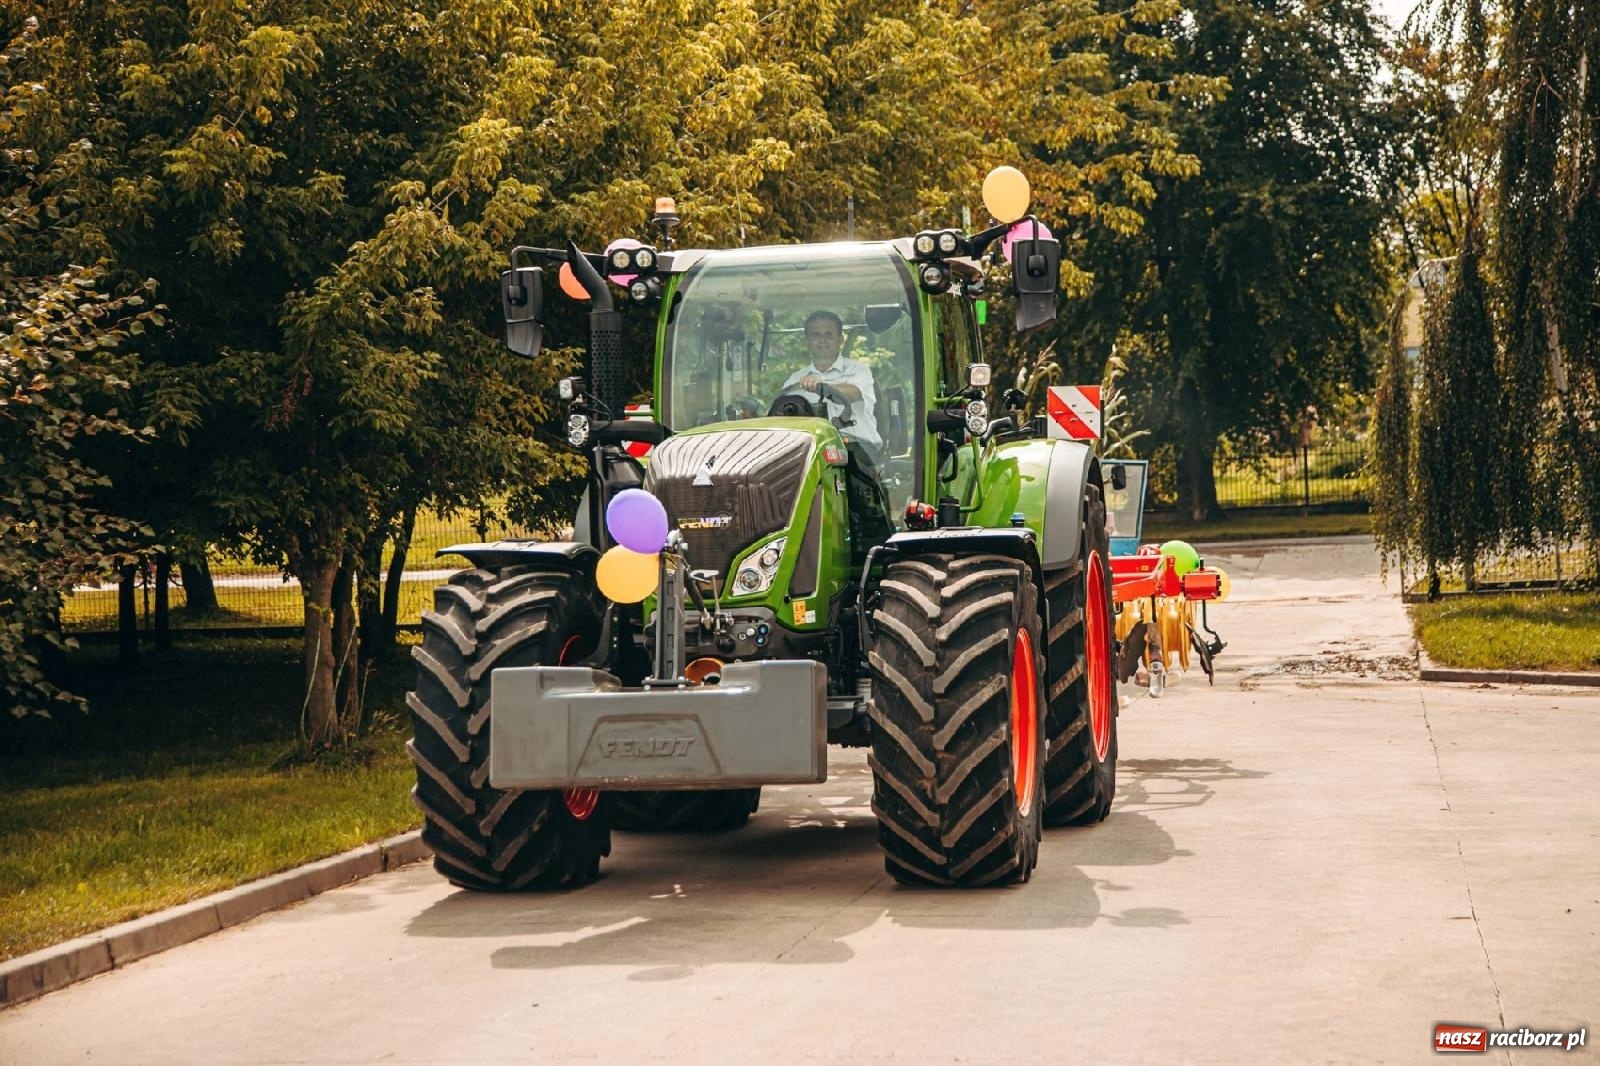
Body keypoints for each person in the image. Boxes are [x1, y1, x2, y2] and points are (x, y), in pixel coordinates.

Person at [779, 310, 882, 450]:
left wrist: (822, 386)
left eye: (828, 334)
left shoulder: (859, 370)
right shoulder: (794, 380)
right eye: (816, 335)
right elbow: (780, 419)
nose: (822, 340)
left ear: (840, 339)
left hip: (858, 451)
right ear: (807, 342)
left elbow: (854, 393)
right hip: (811, 451)